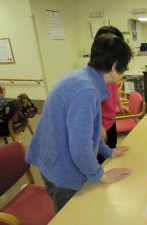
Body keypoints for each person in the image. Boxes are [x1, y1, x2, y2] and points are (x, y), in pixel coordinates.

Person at [25, 33, 133, 213]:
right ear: (114, 66)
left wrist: (107, 152)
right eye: (124, 67)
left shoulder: (85, 78)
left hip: (54, 158)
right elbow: (80, 147)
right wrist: (101, 175)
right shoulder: (87, 90)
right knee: (71, 216)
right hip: (60, 169)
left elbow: (88, 131)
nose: (124, 72)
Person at [94, 26, 130, 164]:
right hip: (100, 124)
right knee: (100, 159)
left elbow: (114, 91)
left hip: (111, 120)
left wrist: (120, 104)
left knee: (112, 152)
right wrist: (100, 127)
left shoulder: (111, 75)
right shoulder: (95, 80)